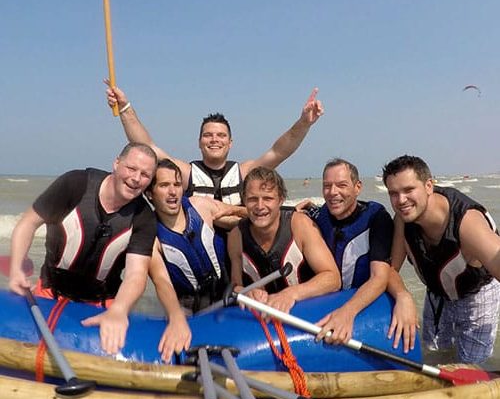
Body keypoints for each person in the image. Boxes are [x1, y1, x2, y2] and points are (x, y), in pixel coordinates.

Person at [9, 143, 158, 355]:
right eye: (131, 168)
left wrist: (119, 309)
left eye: (145, 175)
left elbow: (136, 274)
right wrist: (16, 269)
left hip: (100, 302)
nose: (136, 178)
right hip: (50, 291)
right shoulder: (75, 184)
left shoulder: (144, 217)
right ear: (116, 163)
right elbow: (28, 223)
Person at [106, 83, 324, 204]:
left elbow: (280, 151)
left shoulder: (244, 172)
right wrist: (125, 108)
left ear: (230, 143)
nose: (214, 140)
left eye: (221, 135)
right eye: (208, 135)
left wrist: (304, 123)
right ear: (199, 142)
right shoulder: (186, 173)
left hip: (237, 254)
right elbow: (148, 147)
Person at [382, 155, 500, 364]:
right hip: (437, 294)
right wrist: (403, 296)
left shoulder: (467, 223)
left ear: (429, 185)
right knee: (434, 358)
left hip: (476, 295)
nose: (401, 200)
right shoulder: (402, 219)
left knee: (471, 368)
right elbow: (390, 269)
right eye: (393, 193)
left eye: (409, 190)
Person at [146, 158, 242, 362]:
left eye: (176, 184)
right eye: (164, 185)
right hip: (189, 306)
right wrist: (175, 317)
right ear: (150, 194)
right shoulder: (150, 235)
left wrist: (289, 212)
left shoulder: (200, 206)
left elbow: (246, 216)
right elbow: (161, 281)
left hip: (226, 295)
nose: (173, 192)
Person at [302, 158, 393, 345]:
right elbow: (274, 214)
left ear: (357, 187)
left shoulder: (377, 218)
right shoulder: (316, 216)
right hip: (325, 304)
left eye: (341, 185)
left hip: (363, 304)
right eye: (327, 186)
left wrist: (347, 312)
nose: (333, 192)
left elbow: (380, 278)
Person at [227, 167, 341, 314]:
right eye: (252, 199)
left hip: (306, 312)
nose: (260, 206)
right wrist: (246, 293)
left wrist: (291, 294)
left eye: (268, 198)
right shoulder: (236, 236)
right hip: (264, 318)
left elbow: (333, 278)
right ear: (244, 201)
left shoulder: (300, 225)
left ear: (280, 200)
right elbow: (235, 285)